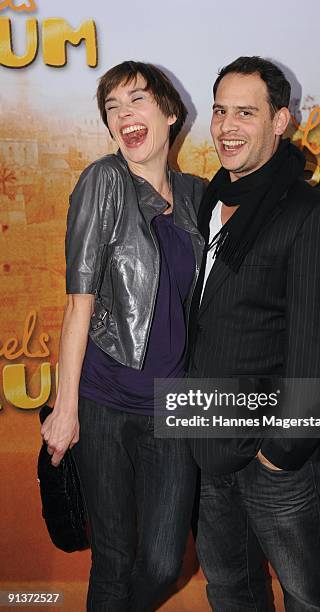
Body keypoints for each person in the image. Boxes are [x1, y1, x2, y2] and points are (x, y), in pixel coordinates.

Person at [40, 60, 205, 611]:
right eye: (113, 108)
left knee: (162, 561)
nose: (124, 115)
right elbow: (78, 304)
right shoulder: (103, 180)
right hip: (105, 401)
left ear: (170, 112)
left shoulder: (197, 197)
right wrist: (65, 410)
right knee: (113, 560)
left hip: (172, 404)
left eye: (136, 100)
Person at [188, 57, 320, 611]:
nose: (227, 126)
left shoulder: (311, 215)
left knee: (307, 598)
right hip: (207, 439)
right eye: (220, 111)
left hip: (273, 455)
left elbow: (317, 349)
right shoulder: (207, 202)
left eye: (245, 113)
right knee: (231, 591)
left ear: (281, 121)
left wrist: (280, 454)